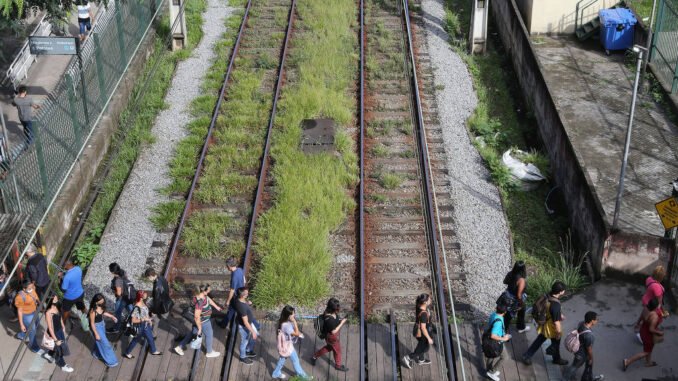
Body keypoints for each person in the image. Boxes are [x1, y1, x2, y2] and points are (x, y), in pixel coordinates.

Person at [522, 281, 568, 366]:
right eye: (563, 290)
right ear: (560, 292)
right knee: (555, 343)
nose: (564, 291)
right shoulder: (555, 305)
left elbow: (548, 309)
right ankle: (556, 359)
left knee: (540, 340)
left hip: (544, 323)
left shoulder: (547, 295)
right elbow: (557, 323)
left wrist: (559, 314)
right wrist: (558, 333)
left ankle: (527, 355)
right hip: (551, 327)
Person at [174, 284, 223, 357]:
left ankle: (180, 347)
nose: (210, 290)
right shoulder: (200, 302)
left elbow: (208, 299)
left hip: (199, 321)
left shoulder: (200, 296)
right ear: (204, 291)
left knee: (192, 333)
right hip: (203, 321)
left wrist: (216, 306)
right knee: (209, 334)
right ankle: (209, 352)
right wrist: (200, 328)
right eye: (208, 289)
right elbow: (197, 317)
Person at [623, 297, 664, 371]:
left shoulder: (646, 308)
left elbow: (641, 316)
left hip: (643, 330)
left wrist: (638, 323)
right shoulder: (654, 316)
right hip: (649, 336)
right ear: (656, 307)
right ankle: (628, 361)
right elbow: (651, 329)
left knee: (648, 349)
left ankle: (648, 362)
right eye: (658, 305)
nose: (659, 305)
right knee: (646, 352)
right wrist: (659, 332)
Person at [271, 305, 311, 380]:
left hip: (284, 345)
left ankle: (276, 373)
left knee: (282, 359)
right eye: (292, 314)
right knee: (295, 361)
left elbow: (295, 331)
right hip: (288, 346)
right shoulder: (286, 326)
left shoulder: (282, 321)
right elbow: (295, 332)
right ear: (288, 315)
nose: (294, 315)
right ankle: (304, 377)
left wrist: (298, 332)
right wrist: (295, 322)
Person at [562, 311, 604, 381]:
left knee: (587, 365)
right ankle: (565, 378)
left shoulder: (581, 323)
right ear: (592, 321)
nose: (597, 321)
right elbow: (589, 349)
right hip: (582, 355)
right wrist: (591, 358)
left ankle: (588, 378)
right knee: (574, 367)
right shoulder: (589, 336)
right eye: (596, 319)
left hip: (578, 351)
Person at [312, 297, 348, 372]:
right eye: (337, 308)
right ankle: (338, 366)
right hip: (332, 337)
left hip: (328, 337)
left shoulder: (327, 311)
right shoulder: (329, 320)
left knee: (329, 347)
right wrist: (342, 322)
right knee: (337, 351)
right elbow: (333, 331)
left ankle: (315, 356)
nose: (339, 309)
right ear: (333, 309)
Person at [123, 291, 161, 358]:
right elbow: (133, 320)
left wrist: (149, 317)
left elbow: (144, 313)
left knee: (150, 338)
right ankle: (127, 352)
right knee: (135, 340)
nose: (146, 295)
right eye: (145, 294)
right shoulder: (136, 307)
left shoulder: (143, 302)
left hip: (146, 325)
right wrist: (144, 320)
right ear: (141, 297)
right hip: (140, 326)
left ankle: (154, 351)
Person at [402, 294, 434, 369]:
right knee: (424, 348)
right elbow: (423, 328)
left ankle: (421, 360)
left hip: (417, 329)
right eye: (429, 299)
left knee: (421, 345)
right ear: (425, 302)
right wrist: (429, 338)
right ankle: (408, 357)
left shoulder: (419, 305)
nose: (430, 300)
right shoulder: (423, 314)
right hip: (422, 333)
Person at [44, 295, 74, 373]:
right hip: (54, 332)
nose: (57, 299)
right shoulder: (48, 312)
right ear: (51, 300)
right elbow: (50, 328)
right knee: (59, 349)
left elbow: (60, 316)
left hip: (59, 330)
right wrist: (55, 339)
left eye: (56, 298)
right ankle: (63, 365)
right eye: (55, 298)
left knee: (59, 346)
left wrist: (63, 325)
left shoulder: (57, 306)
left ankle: (49, 354)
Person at [88, 293, 118, 367]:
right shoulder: (92, 311)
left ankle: (96, 353)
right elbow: (92, 324)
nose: (103, 302)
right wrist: (96, 334)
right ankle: (111, 362)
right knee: (106, 344)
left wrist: (112, 316)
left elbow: (103, 313)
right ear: (96, 302)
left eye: (103, 300)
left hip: (102, 325)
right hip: (96, 327)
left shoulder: (100, 306)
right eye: (101, 301)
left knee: (100, 342)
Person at [482, 304, 511, 381]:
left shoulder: (493, 314)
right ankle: (491, 372)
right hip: (496, 342)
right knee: (505, 357)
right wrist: (504, 338)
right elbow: (493, 335)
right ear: (504, 312)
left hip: (489, 341)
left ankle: (489, 370)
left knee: (490, 355)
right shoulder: (498, 322)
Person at [59, 259, 89, 331]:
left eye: (64, 265)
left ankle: (62, 324)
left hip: (69, 298)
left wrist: (60, 278)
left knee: (66, 311)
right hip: (80, 293)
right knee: (82, 307)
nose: (63, 267)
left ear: (67, 265)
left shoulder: (67, 277)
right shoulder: (78, 269)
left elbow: (63, 289)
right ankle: (88, 319)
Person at [233, 286, 260, 365]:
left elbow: (243, 304)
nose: (248, 294)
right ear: (243, 295)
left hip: (249, 323)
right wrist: (252, 331)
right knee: (244, 341)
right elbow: (245, 322)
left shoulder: (239, 299)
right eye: (247, 293)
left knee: (254, 336)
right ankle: (242, 357)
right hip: (244, 326)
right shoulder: (242, 307)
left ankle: (248, 351)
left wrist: (247, 303)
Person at [501, 261, 530, 333]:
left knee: (521, 310)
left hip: (507, 295)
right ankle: (503, 332)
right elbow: (519, 295)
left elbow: (504, 281)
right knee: (509, 315)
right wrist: (521, 303)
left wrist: (512, 285)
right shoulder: (521, 280)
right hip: (515, 300)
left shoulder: (510, 273)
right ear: (523, 269)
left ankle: (520, 327)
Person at [217, 257, 245, 328]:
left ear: (229, 266)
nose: (226, 267)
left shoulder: (234, 276)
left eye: (227, 266)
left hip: (236, 296)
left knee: (231, 310)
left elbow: (232, 290)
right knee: (236, 310)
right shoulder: (240, 270)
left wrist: (228, 301)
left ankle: (223, 325)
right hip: (241, 294)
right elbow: (244, 280)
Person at [14, 280, 41, 353]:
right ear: (24, 289)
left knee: (36, 324)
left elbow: (36, 296)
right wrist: (21, 324)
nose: (32, 289)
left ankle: (21, 335)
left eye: (32, 287)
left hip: (34, 311)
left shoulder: (32, 289)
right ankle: (34, 347)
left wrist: (39, 303)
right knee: (33, 331)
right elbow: (19, 311)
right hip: (27, 315)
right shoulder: (20, 297)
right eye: (29, 288)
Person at [108, 263, 133, 333]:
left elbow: (119, 293)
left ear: (112, 272)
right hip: (128, 295)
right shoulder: (123, 272)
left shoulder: (117, 280)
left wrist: (115, 292)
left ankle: (116, 328)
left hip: (121, 299)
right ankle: (134, 322)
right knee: (131, 310)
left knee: (117, 313)